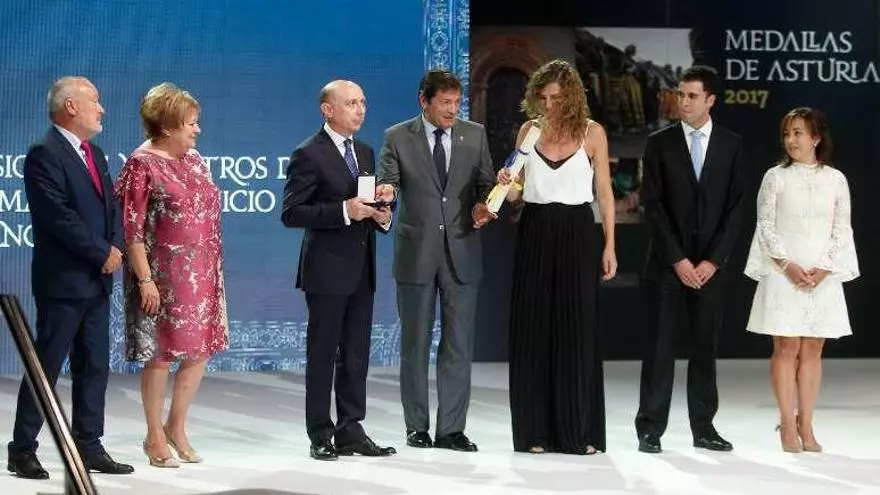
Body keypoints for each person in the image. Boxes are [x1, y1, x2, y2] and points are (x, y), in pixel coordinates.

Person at [7, 76, 134, 479]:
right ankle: (22, 449)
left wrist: (115, 248)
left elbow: (112, 209)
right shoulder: (44, 153)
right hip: (64, 281)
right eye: (94, 101)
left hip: (98, 281)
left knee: (94, 365)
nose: (102, 109)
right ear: (71, 106)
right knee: (46, 366)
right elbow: (57, 217)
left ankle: (88, 445)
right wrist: (102, 252)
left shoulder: (95, 153)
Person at [497, 59, 617, 455]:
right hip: (535, 229)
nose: (548, 105)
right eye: (543, 98)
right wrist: (507, 183)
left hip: (578, 232)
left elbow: (604, 194)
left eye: (556, 98)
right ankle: (535, 432)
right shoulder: (528, 131)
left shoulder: (592, 133)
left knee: (576, 328)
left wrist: (610, 245)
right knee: (534, 328)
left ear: (573, 97)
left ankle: (577, 431)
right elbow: (516, 194)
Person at [376, 69, 495, 452]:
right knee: (415, 345)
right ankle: (416, 427)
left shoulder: (474, 134)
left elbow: (486, 184)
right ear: (423, 101)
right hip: (416, 254)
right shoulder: (397, 136)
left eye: (457, 102)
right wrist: (385, 193)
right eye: (445, 102)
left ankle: (451, 430)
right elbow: (389, 182)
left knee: (459, 345)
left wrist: (483, 206)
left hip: (462, 252)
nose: (452, 110)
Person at [114, 82, 229, 468]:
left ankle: (176, 427)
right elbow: (131, 230)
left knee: (199, 350)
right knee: (160, 355)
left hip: (203, 273)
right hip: (161, 277)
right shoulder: (141, 164)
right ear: (166, 127)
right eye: (190, 123)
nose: (197, 130)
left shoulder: (195, 159)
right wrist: (145, 279)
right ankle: (153, 435)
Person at [282, 80, 395, 461]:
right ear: (327, 110)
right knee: (323, 353)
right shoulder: (308, 153)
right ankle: (320, 433)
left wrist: (381, 214)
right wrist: (344, 211)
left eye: (363, 102)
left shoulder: (365, 151)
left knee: (356, 354)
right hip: (326, 270)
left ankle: (351, 429)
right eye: (351, 103)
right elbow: (292, 212)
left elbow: (367, 205)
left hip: (362, 269)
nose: (360, 109)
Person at [635, 65, 745, 454]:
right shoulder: (659, 143)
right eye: (681, 94)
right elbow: (652, 206)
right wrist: (678, 260)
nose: (683, 101)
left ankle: (704, 428)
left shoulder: (731, 145)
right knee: (659, 349)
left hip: (711, 269)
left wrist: (712, 261)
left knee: (704, 349)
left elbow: (736, 209)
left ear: (710, 100)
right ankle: (650, 429)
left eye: (692, 96)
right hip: (667, 265)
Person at [744, 107, 858, 453]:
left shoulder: (836, 180)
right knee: (786, 347)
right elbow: (766, 226)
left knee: (813, 348)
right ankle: (786, 422)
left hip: (822, 275)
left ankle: (805, 423)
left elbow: (841, 229)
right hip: (784, 272)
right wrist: (787, 265)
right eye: (787, 134)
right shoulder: (775, 177)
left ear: (816, 138)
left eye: (798, 133)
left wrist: (823, 268)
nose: (791, 140)